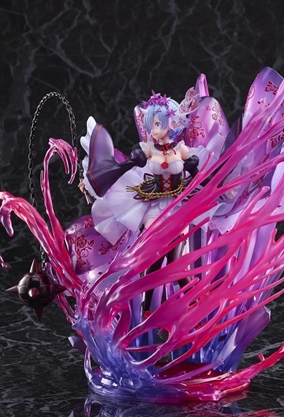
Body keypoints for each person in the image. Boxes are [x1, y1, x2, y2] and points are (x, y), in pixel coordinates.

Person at [80, 92, 199, 314]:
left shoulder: (181, 150)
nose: (153, 130)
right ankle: (147, 307)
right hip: (154, 207)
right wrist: (112, 173)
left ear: (171, 123)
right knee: (154, 257)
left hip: (177, 206)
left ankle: (193, 305)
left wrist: (216, 185)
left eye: (157, 124)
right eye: (151, 124)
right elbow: (122, 169)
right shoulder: (148, 150)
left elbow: (200, 176)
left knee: (177, 261)